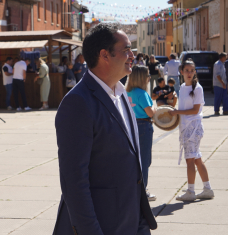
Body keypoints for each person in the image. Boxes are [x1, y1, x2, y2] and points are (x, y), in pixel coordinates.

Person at [53, 23, 157, 235]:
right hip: (101, 226)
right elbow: (74, 181)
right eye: (126, 49)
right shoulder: (78, 103)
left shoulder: (121, 93)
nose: (132, 55)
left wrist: (141, 223)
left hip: (131, 222)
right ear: (105, 55)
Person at [169, 59, 214, 201]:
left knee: (190, 160)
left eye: (191, 70)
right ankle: (207, 189)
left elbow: (195, 110)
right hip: (186, 127)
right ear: (181, 72)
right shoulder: (182, 87)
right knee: (197, 160)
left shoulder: (198, 88)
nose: (189, 73)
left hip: (193, 128)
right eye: (186, 70)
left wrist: (177, 113)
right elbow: (182, 106)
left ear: (195, 72)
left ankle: (191, 191)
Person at [127, 65, 157, 201]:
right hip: (144, 126)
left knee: (133, 160)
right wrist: (156, 110)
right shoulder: (142, 93)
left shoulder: (127, 92)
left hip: (130, 126)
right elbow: (150, 113)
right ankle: (142, 192)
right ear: (141, 78)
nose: (149, 78)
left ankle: (133, 189)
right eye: (148, 75)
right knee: (144, 160)